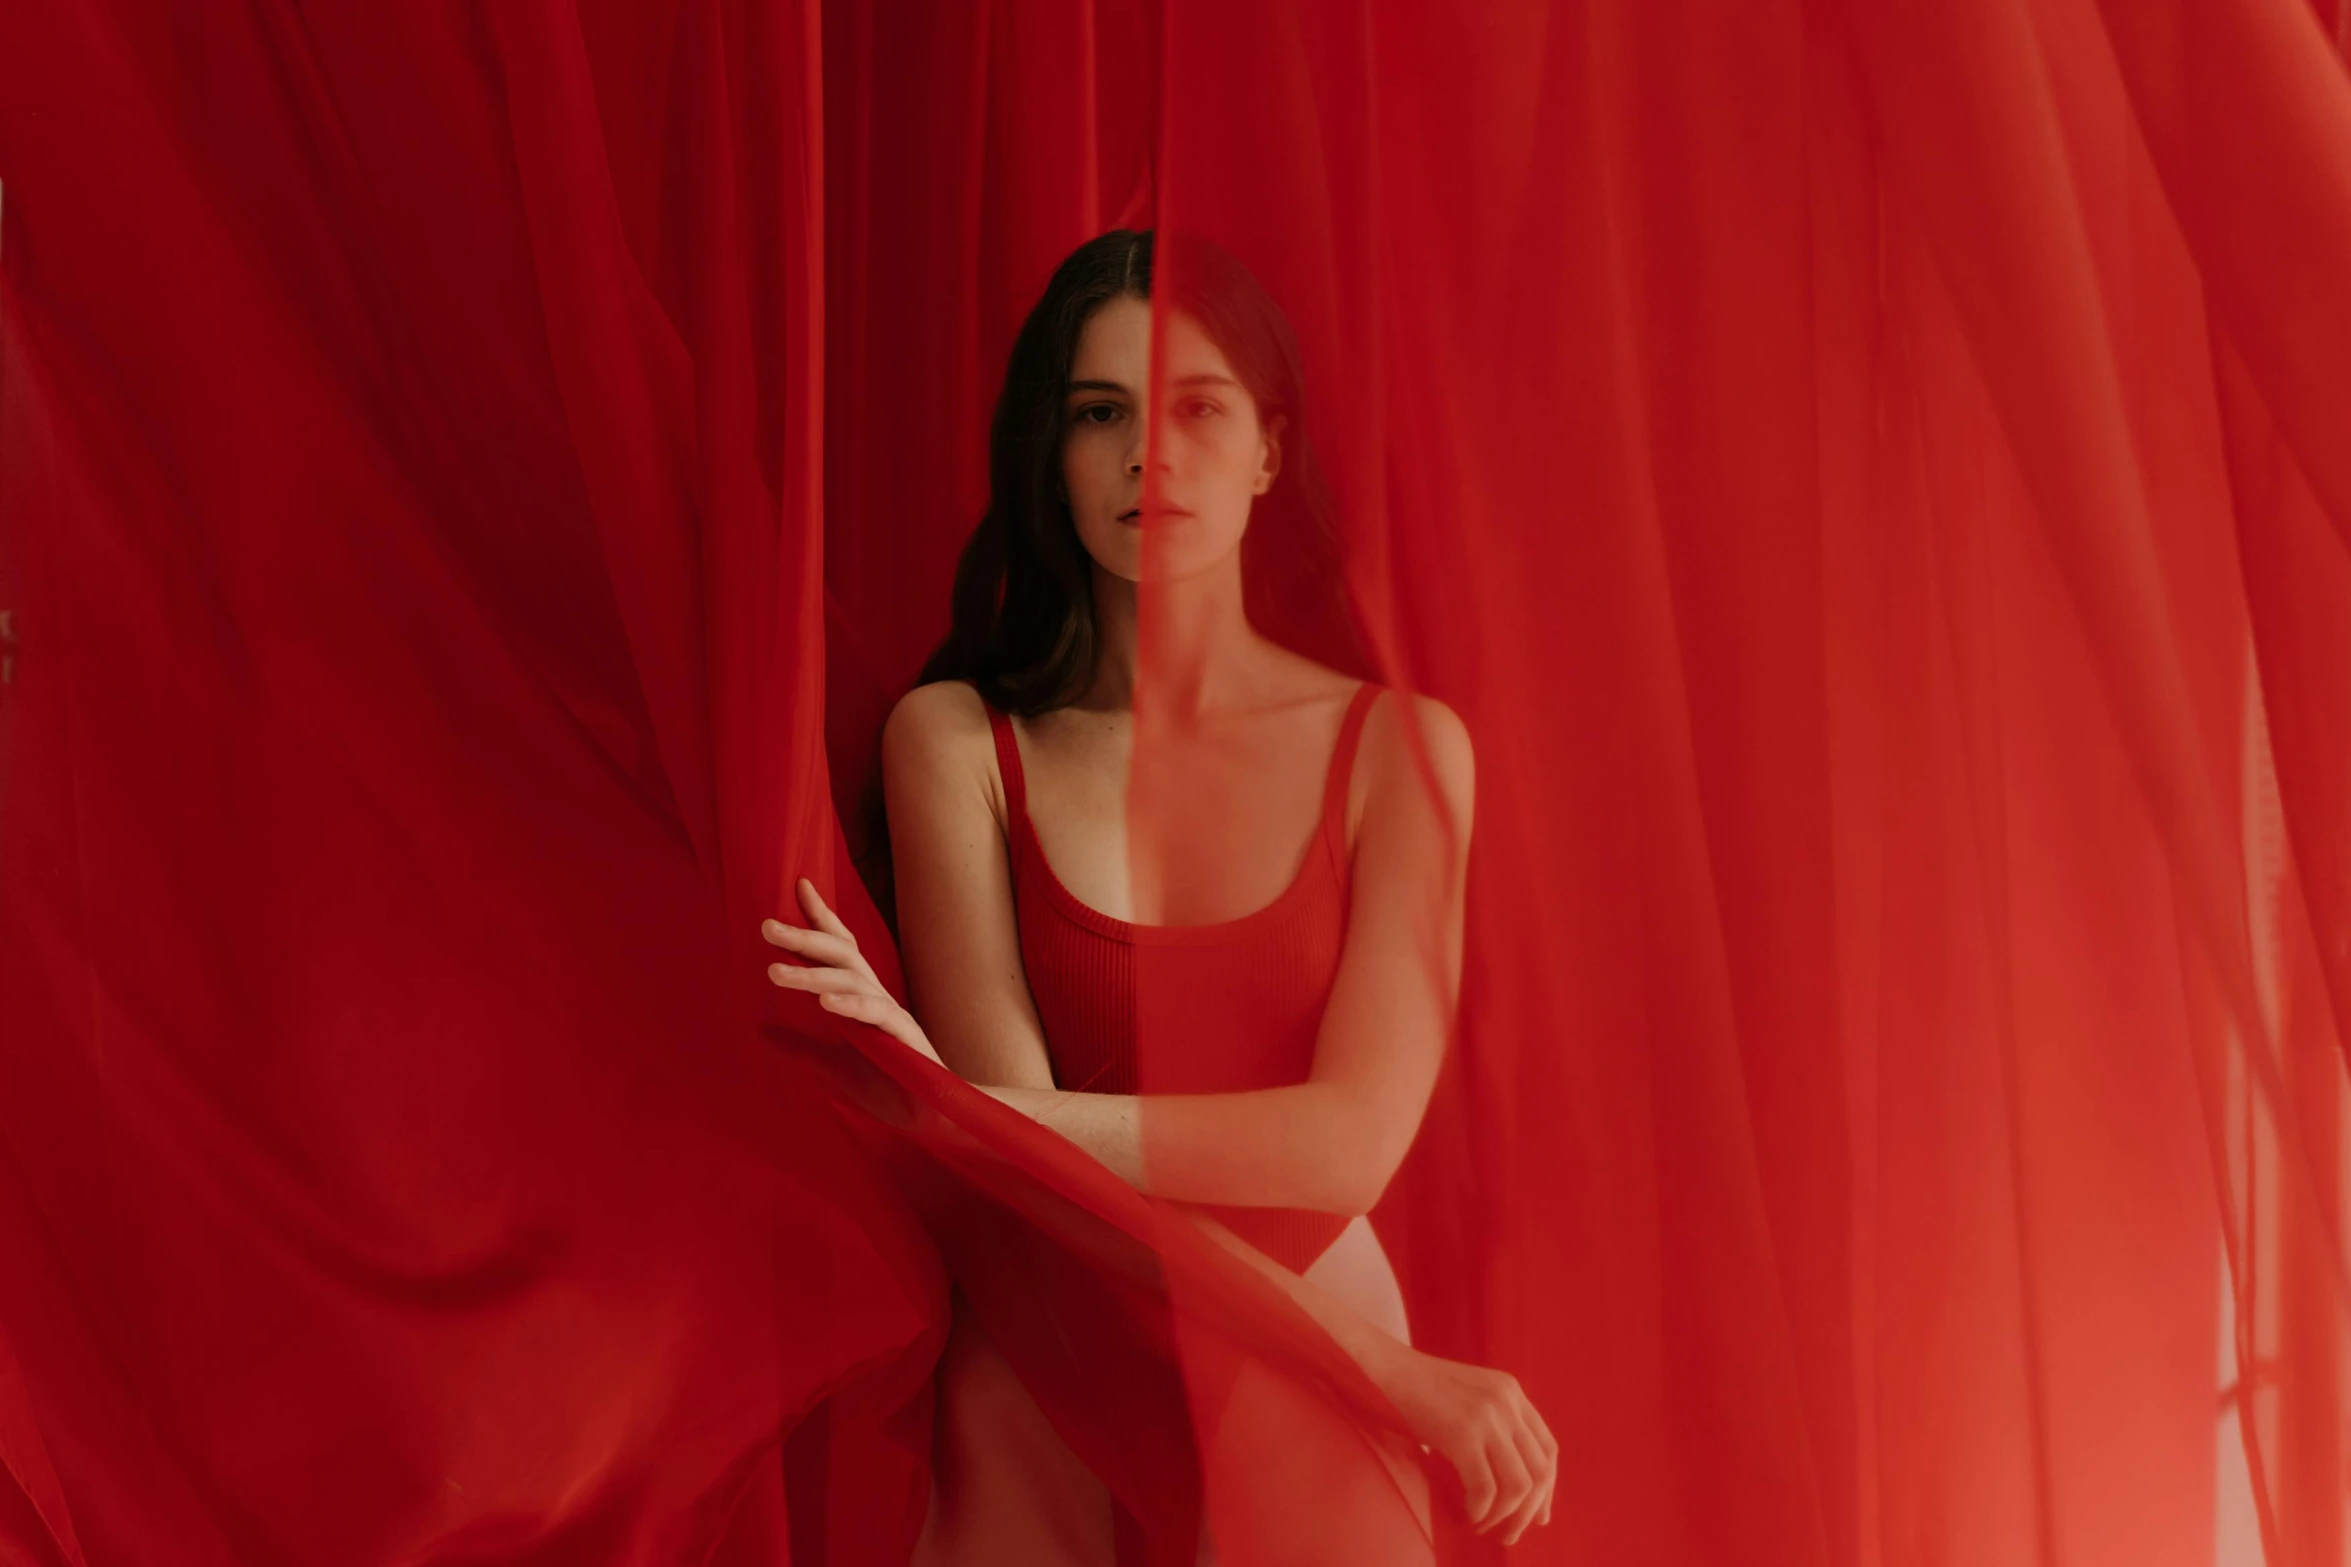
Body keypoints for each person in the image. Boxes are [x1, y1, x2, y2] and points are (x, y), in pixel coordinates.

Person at [760, 229, 1556, 1558]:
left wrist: (976, 1107)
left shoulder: (1403, 752)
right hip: (1051, 1313)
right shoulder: (954, 742)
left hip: (1308, 1325)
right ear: (1051, 458)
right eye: (1098, 413)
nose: (1149, 453)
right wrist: (1392, 1370)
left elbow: (1343, 1145)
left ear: (1265, 447)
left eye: (1197, 406)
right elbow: (1026, 1197)